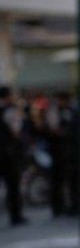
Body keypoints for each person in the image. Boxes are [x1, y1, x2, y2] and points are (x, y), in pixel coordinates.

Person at [0, 86, 26, 225]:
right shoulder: (11, 110)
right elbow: (15, 132)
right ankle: (16, 216)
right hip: (10, 154)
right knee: (13, 186)